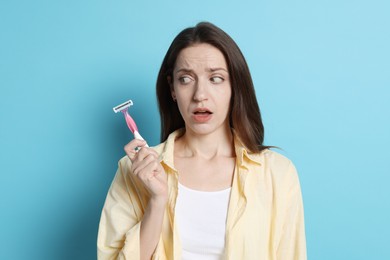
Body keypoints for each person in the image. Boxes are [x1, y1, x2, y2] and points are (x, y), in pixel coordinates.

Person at [97, 22, 306, 260]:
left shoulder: (277, 174)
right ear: (172, 89)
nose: (200, 95)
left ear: (235, 86)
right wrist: (157, 201)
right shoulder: (133, 171)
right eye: (185, 79)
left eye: (215, 79)